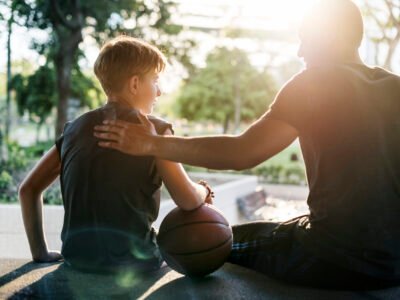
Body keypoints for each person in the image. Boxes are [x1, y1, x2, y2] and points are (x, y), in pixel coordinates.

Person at [94, 0, 400, 289]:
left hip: (335, 257)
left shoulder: (314, 82)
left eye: (307, 39)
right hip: (395, 260)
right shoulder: (394, 87)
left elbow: (241, 152)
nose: (300, 51)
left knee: (209, 237)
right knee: (272, 228)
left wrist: (152, 144)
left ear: (329, 37)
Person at [19, 36, 213, 273]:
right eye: (155, 80)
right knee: (207, 226)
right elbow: (188, 200)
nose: (159, 91)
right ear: (134, 84)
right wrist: (204, 190)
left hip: (76, 260)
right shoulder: (155, 131)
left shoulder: (74, 130)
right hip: (135, 263)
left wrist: (40, 253)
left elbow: (28, 190)